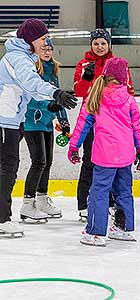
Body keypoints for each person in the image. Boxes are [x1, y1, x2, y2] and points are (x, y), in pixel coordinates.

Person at [0, 19, 77, 237]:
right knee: (8, 168)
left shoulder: (23, 56)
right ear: (31, 39)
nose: (45, 42)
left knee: (8, 167)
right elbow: (32, 83)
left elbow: (31, 91)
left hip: (13, 118)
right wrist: (55, 93)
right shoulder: (18, 59)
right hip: (5, 119)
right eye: (42, 38)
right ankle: (2, 219)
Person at [68, 57, 140, 246]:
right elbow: (137, 128)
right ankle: (124, 228)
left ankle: (95, 232)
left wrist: (74, 147)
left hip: (104, 156)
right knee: (124, 191)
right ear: (123, 77)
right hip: (125, 155)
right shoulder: (129, 100)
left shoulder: (95, 98)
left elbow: (82, 125)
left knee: (99, 192)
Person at [73, 28, 134, 222]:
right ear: (91, 45)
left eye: (103, 43)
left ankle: (107, 203)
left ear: (109, 45)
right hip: (91, 120)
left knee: (112, 163)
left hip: (114, 124)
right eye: (96, 43)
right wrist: (86, 78)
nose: (100, 47)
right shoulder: (83, 64)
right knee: (90, 162)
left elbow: (128, 92)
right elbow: (80, 92)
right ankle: (84, 203)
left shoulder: (117, 65)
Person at [21, 38, 69, 222]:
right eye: (43, 49)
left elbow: (57, 96)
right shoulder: (32, 69)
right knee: (39, 161)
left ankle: (41, 199)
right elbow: (30, 96)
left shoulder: (53, 70)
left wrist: (63, 122)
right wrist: (48, 106)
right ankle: (27, 204)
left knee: (47, 162)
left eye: (50, 49)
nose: (47, 52)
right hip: (32, 122)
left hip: (47, 123)